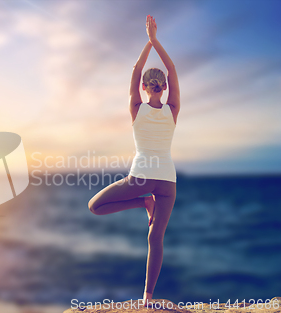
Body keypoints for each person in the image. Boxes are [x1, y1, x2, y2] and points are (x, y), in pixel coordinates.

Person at [87, 15, 180, 306]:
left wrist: (147, 41)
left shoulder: (136, 107)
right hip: (167, 181)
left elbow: (136, 68)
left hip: (140, 178)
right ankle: (147, 298)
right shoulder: (173, 109)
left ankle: (141, 202)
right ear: (163, 88)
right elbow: (173, 69)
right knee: (156, 240)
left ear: (143, 88)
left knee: (95, 206)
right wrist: (156, 41)